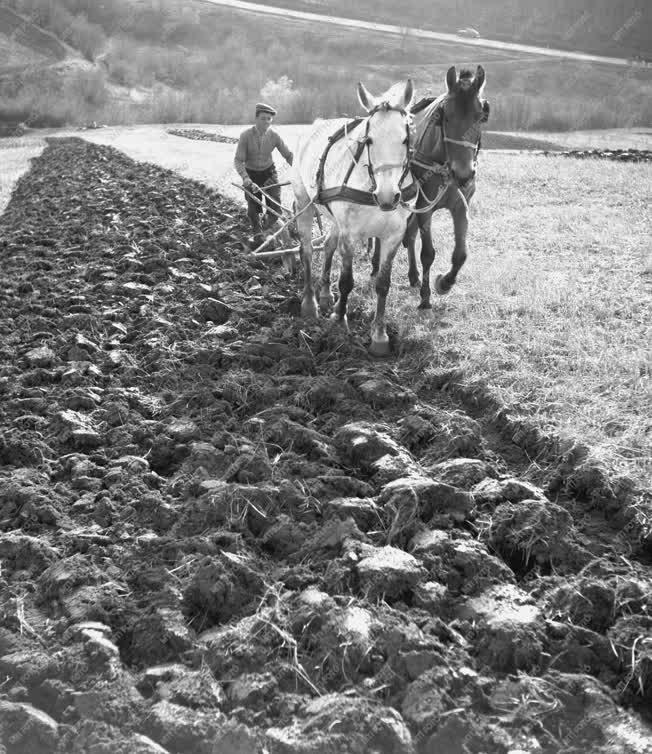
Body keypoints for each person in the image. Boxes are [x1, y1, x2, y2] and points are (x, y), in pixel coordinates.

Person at [234, 102, 294, 248]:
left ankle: (268, 230)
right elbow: (238, 160)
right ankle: (257, 234)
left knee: (276, 207)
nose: (266, 122)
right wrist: (246, 178)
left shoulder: (274, 136)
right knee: (252, 209)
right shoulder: (246, 136)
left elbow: (288, 155)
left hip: (269, 174)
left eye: (269, 119)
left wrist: (299, 171)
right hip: (251, 176)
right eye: (263, 118)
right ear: (256, 119)